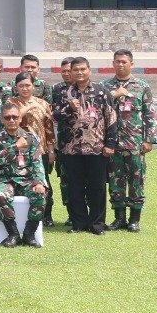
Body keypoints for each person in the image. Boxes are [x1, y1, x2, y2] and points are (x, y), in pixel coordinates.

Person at [52, 56, 115, 234]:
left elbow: (111, 118)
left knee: (97, 187)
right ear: (70, 72)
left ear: (89, 70)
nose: (79, 73)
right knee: (75, 187)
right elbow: (54, 116)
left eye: (82, 69)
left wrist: (110, 143)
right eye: (75, 70)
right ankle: (78, 223)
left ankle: (97, 224)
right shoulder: (62, 92)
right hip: (70, 148)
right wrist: (68, 108)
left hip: (96, 147)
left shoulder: (102, 91)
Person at [104, 48, 157, 233]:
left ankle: (134, 219)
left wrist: (149, 139)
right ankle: (119, 218)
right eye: (117, 61)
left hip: (135, 143)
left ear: (131, 64)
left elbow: (150, 115)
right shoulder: (105, 86)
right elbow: (100, 111)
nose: (120, 64)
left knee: (136, 181)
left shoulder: (142, 86)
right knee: (115, 181)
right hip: (112, 143)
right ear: (112, 63)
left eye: (124, 62)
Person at [0, 103, 47, 248]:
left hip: (26, 180)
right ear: (2, 119)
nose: (11, 120)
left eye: (15, 117)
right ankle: (13, 233)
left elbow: (37, 163)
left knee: (40, 195)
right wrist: (15, 147)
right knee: (1, 195)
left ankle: (29, 233)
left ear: (20, 119)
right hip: (4, 179)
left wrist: (39, 182)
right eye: (7, 117)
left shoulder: (30, 138)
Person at [11, 73, 58, 225]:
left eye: (27, 85)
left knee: (43, 181)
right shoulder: (11, 102)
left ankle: (47, 215)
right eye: (21, 86)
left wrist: (51, 151)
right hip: (18, 150)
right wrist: (29, 106)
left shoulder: (43, 103)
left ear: (33, 86)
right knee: (21, 180)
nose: (25, 88)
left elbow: (49, 129)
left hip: (40, 150)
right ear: (16, 87)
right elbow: (14, 118)